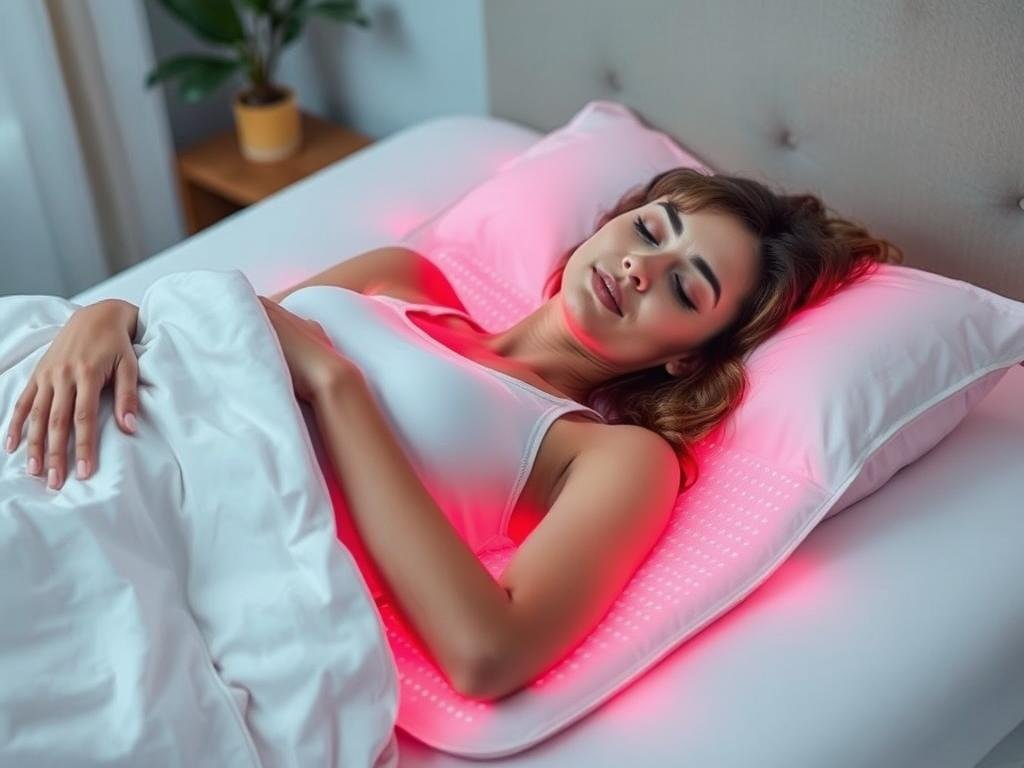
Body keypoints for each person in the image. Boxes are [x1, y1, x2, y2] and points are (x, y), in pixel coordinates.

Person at [2, 167, 902, 700]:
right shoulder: (400, 274)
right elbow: (217, 336)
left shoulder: (612, 456)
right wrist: (110, 314)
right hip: (81, 414)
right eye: (649, 228)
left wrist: (335, 383)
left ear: (684, 359)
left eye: (685, 285)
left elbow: (487, 654)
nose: (641, 263)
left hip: (154, 536)